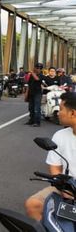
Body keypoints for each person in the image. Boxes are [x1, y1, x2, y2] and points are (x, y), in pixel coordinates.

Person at [25, 92, 76, 221]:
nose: (58, 112)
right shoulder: (60, 135)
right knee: (33, 205)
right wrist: (65, 188)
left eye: (61, 108)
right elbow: (55, 167)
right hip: (67, 186)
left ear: (73, 113)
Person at [26, 63, 44, 127]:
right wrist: (26, 94)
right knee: (31, 107)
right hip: (31, 93)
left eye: (40, 68)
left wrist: (32, 73)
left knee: (37, 108)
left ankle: (37, 122)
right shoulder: (31, 75)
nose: (38, 69)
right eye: (37, 67)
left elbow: (37, 79)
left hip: (38, 93)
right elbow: (29, 85)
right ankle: (31, 120)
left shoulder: (41, 75)